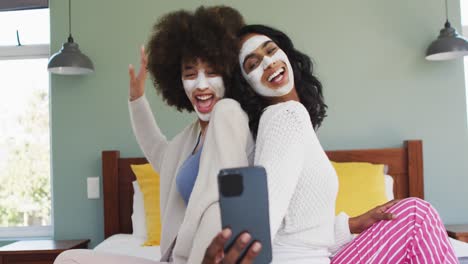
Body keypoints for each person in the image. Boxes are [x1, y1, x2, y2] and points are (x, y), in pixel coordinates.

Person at [208, 24, 458, 263]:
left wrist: (351, 224)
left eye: (271, 50)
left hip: (314, 255)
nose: (267, 62)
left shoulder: (288, 119)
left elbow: (296, 227)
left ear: (285, 52)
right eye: (252, 64)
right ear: (247, 84)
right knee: (416, 214)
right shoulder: (284, 116)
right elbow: (266, 215)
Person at [55, 6, 261, 264]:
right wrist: (137, 99)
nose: (201, 85)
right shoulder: (188, 139)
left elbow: (224, 200)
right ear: (177, 82)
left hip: (206, 256)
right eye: (189, 74)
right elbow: (156, 150)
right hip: (173, 259)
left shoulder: (230, 114)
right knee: (69, 259)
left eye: (211, 72)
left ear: (229, 75)